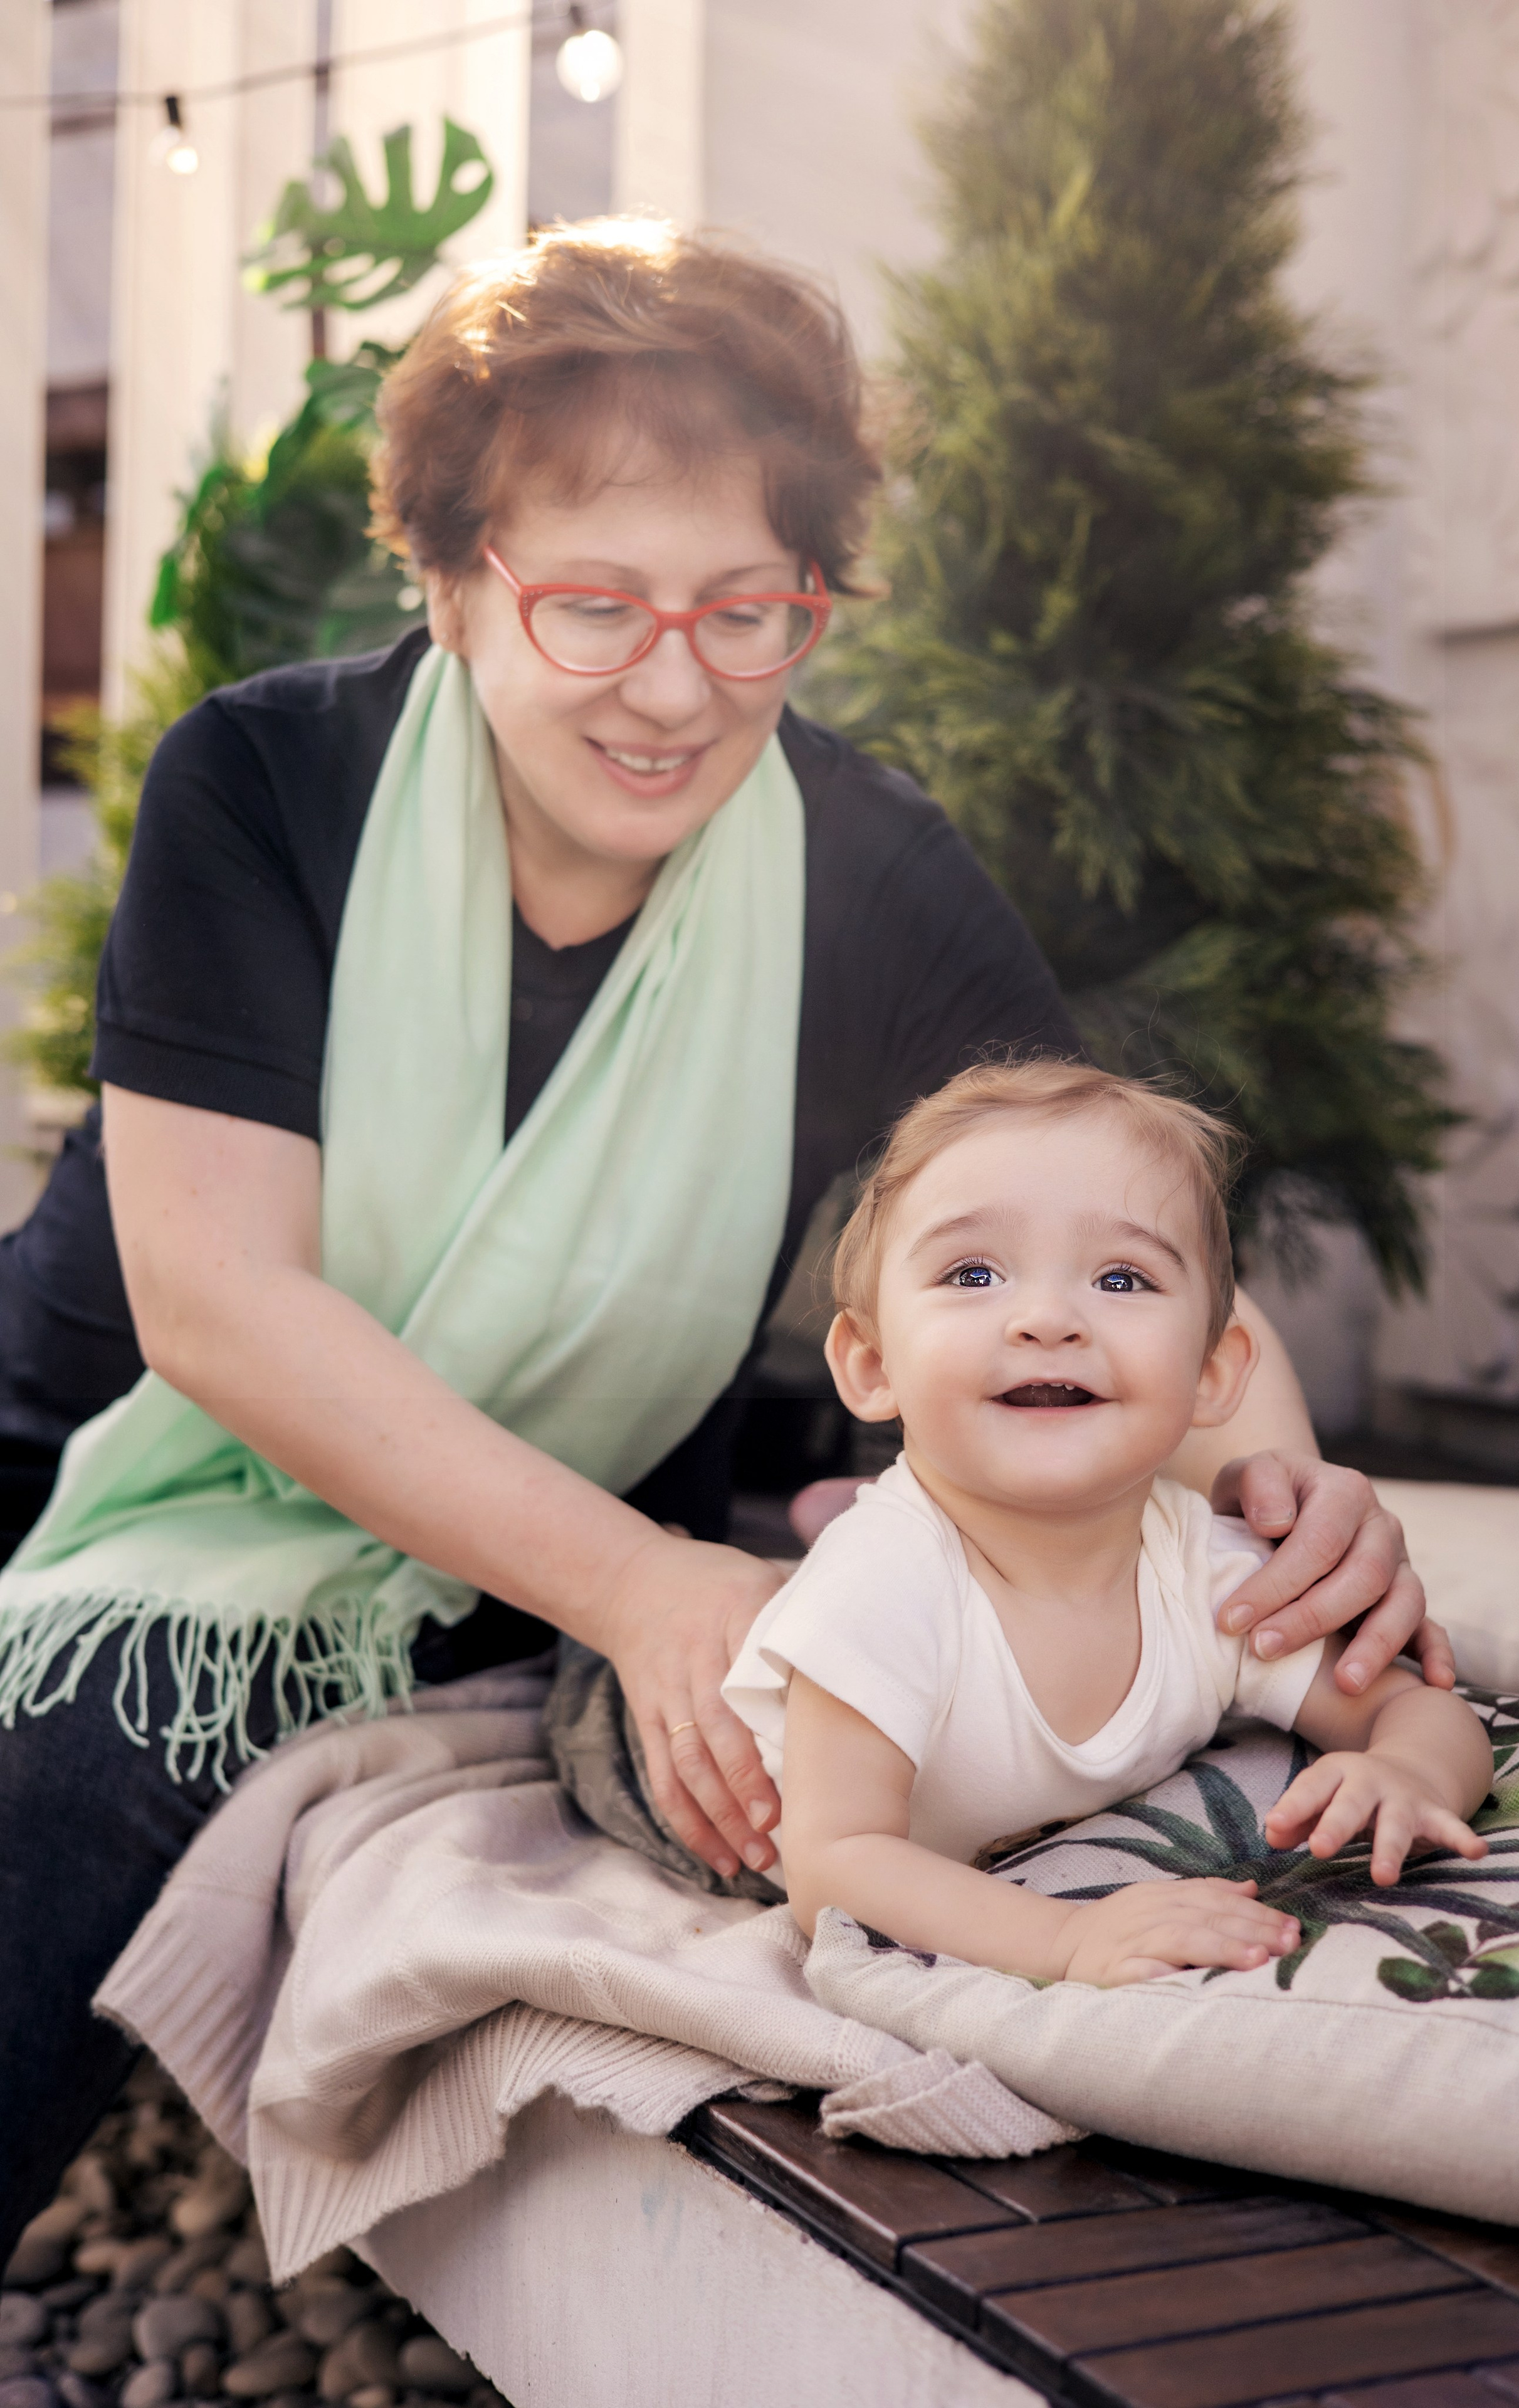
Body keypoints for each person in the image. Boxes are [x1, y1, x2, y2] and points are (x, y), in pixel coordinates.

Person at [0, 220, 1444, 2254]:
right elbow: (217, 1304)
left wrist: (1281, 1504)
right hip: (116, 1485)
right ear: (450, 577)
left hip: (543, 1543)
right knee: (74, 1775)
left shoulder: (863, 862)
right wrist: (644, 1586)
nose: (676, 688)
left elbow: (1106, 1215)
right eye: (595, 605)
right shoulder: (268, 779)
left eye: (749, 611)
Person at [725, 1061, 1491, 1983]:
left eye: (1122, 1278)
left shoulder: (1206, 1570)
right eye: (974, 1272)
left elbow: (1414, 1704)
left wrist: (1411, 1772)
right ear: (873, 1364)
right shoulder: (882, 1584)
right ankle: (812, 1551)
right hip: (714, 1767)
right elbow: (834, 1862)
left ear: (1212, 1373)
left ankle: (831, 1512)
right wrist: (1065, 1938)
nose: (1048, 1319)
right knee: (634, 1709)